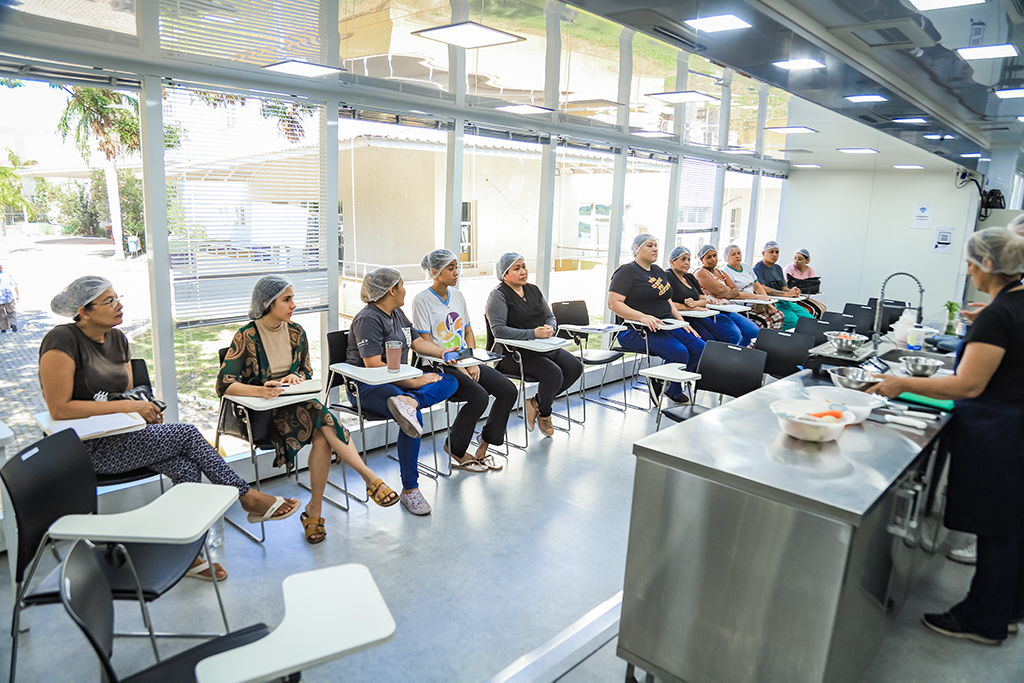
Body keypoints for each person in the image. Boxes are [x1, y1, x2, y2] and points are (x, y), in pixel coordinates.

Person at [40, 276, 299, 581]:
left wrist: (146, 409)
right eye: (109, 301)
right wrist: (130, 408)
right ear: (83, 311)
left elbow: (123, 394)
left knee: (186, 469)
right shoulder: (62, 339)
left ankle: (185, 556)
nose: (119, 305)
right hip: (82, 448)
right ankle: (246, 496)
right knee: (187, 433)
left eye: (117, 297)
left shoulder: (118, 339)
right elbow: (59, 408)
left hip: (125, 437)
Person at [869, 227, 1024, 646]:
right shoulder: (1014, 303)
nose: (969, 271)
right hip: (1013, 427)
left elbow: (968, 385)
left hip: (998, 432)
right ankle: (1008, 611)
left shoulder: (999, 315)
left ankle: (984, 621)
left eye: (972, 263)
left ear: (988, 264)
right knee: (1010, 527)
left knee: (995, 529)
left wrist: (902, 383)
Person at [217, 276, 398, 545]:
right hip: (262, 414)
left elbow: (305, 371)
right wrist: (261, 390)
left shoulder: (296, 332)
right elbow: (224, 384)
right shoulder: (246, 336)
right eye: (287, 299)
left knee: (322, 434)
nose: (294, 305)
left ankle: (315, 510)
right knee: (322, 420)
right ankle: (368, 477)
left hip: (294, 405)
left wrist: (295, 377)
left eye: (292, 299)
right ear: (267, 303)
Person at [347, 267, 458, 516]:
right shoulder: (368, 319)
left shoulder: (397, 313)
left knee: (450, 381)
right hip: (367, 385)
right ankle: (410, 489)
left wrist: (443, 352)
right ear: (391, 290)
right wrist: (413, 382)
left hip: (397, 384)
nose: (405, 290)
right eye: (402, 285)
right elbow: (372, 364)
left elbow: (416, 341)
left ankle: (410, 401)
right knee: (411, 417)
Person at [412, 249, 515, 472]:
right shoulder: (421, 300)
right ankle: (456, 450)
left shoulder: (457, 296)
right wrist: (461, 367)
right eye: (450, 268)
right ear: (435, 272)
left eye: (456, 267)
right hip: (438, 364)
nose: (456, 272)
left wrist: (471, 361)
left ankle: (484, 444)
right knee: (479, 396)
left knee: (508, 390)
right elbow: (425, 344)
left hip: (465, 360)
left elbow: (468, 332)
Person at [485, 252, 582, 436]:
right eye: (517, 268)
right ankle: (545, 413)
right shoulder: (498, 296)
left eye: (524, 267)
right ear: (505, 275)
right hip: (512, 354)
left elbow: (550, 316)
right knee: (553, 374)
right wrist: (533, 333)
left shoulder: (533, 290)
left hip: (541, 347)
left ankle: (535, 402)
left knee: (575, 367)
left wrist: (550, 327)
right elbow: (499, 331)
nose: (523, 271)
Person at [608, 235, 705, 403]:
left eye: (656, 245)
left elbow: (668, 300)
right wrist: (642, 316)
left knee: (700, 348)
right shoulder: (626, 272)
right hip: (635, 330)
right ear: (636, 248)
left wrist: (682, 323)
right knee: (679, 352)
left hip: (665, 325)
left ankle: (665, 383)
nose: (655, 249)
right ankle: (669, 385)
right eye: (649, 245)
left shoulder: (658, 271)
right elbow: (613, 303)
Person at [665, 245, 758, 346]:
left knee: (752, 331)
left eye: (689, 260)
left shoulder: (691, 277)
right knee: (725, 336)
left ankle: (736, 353)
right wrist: (692, 307)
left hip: (707, 311)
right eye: (683, 259)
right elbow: (721, 290)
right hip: (694, 314)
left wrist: (695, 304)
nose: (687, 262)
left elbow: (704, 300)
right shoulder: (692, 274)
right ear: (672, 262)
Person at [694, 244, 783, 331]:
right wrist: (729, 290)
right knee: (763, 323)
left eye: (714, 256)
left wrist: (767, 303)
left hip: (741, 305)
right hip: (726, 308)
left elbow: (736, 290)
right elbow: (722, 290)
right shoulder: (705, 272)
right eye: (733, 254)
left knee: (778, 316)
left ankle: (771, 340)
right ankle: (759, 340)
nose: (713, 259)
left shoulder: (724, 272)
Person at [753, 241, 817, 329]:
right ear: (763, 253)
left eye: (777, 252)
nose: (774, 254)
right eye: (771, 252)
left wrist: (793, 291)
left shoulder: (778, 268)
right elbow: (763, 289)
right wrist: (786, 294)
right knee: (793, 321)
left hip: (785, 302)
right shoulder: (758, 269)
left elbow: (784, 287)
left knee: (810, 320)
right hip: (771, 303)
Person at [0, 263, 18, 333]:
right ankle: (13, 324)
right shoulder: (7, 275)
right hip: (8, 297)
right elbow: (15, 286)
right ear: (1, 268)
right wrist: (17, 295)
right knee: (11, 312)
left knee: (1, 314)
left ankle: (3, 328)